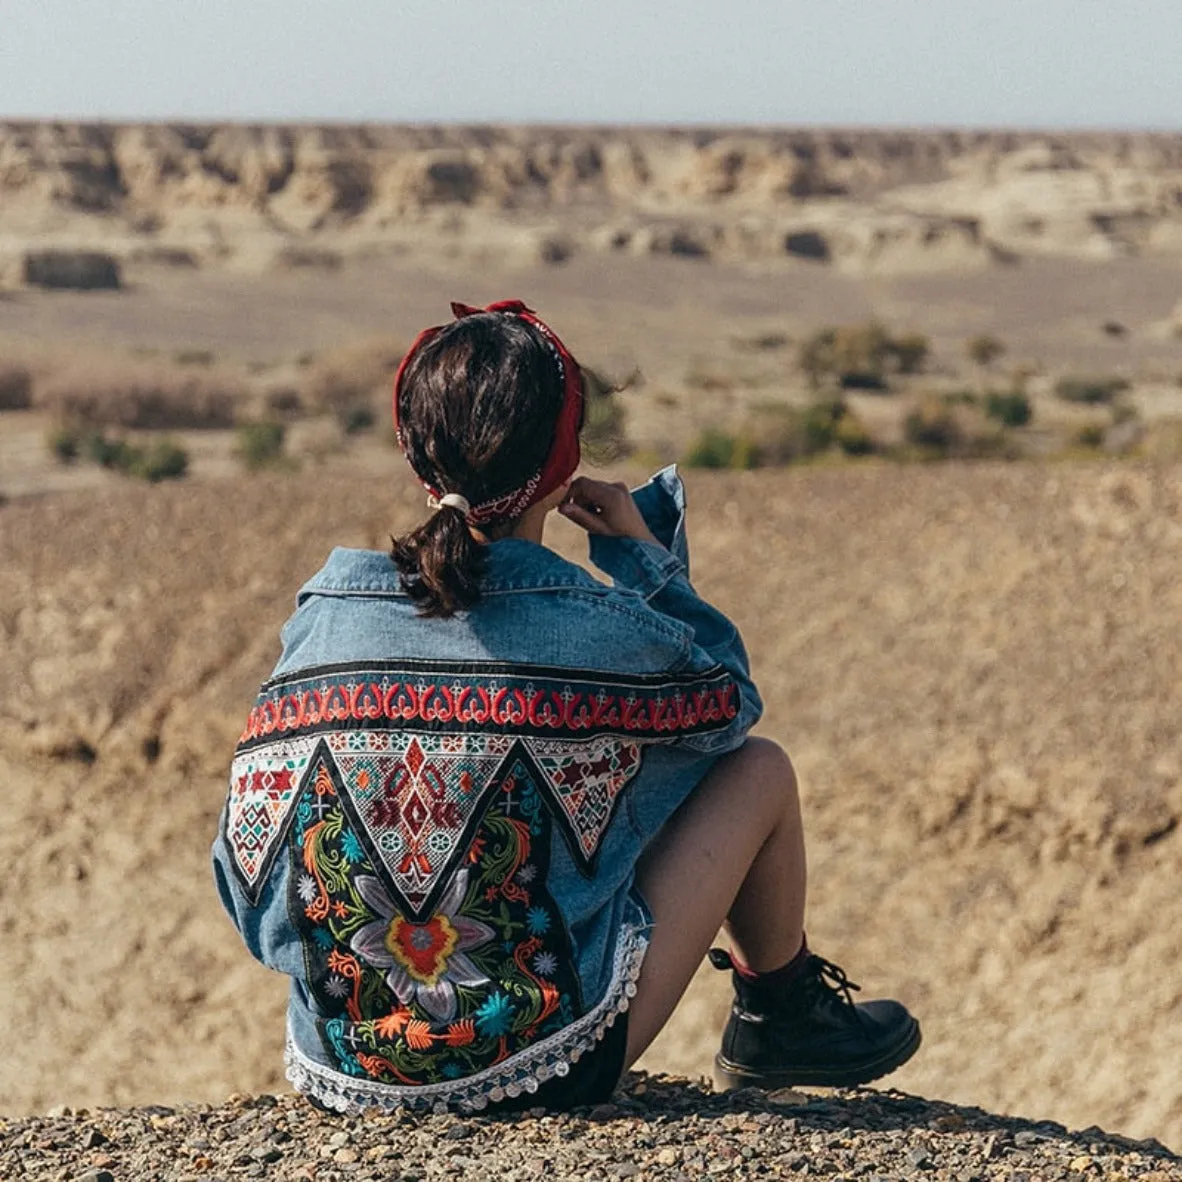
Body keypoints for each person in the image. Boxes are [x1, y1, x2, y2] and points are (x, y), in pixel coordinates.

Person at [211, 299, 920, 1116]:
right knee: (758, 771)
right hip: (548, 1063)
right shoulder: (593, 631)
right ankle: (782, 1012)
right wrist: (644, 558)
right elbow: (727, 708)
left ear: (419, 458)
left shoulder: (325, 620)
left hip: (341, 1066)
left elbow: (242, 867)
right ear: (564, 462)